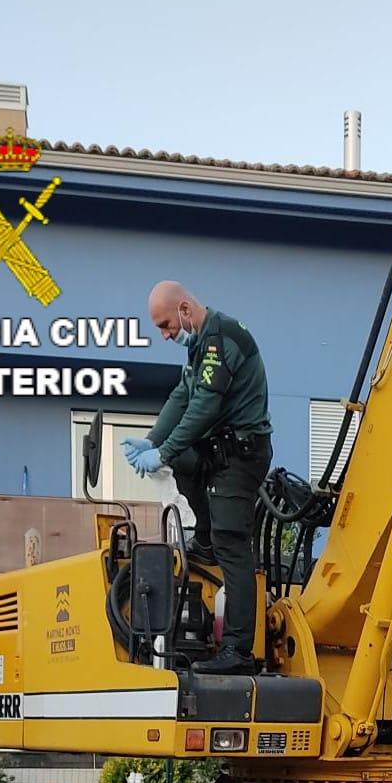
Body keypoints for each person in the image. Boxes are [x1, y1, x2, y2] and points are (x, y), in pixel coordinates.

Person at [122, 281, 272, 675]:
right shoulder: (197, 347)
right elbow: (182, 397)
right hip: (218, 452)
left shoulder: (220, 340)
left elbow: (205, 406)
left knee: (232, 546)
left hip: (241, 457)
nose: (165, 333)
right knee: (182, 461)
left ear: (185, 308)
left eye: (167, 323)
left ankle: (238, 650)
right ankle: (203, 537)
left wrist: (165, 450)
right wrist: (153, 441)